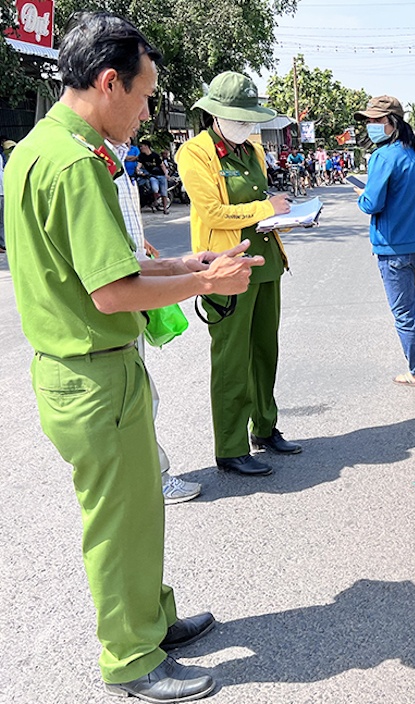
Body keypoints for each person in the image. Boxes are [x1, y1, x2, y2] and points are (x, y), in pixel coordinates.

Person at [4, 12, 265, 701]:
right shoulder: (74, 162)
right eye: (146, 96)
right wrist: (206, 281)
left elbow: (106, 268)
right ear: (108, 82)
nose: (149, 112)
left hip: (90, 371)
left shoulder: (45, 148)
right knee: (121, 524)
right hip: (92, 372)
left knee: (140, 508)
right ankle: (130, 658)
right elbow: (114, 291)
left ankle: (151, 620)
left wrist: (183, 262)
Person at [176, 71, 298, 477]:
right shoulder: (194, 153)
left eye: (250, 118)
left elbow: (263, 199)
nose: (247, 125)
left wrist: (286, 214)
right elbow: (211, 211)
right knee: (231, 357)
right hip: (225, 265)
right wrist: (266, 209)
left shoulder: (253, 150)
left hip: (266, 262)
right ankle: (230, 447)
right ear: (216, 114)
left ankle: (265, 427)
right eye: (239, 117)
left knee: (266, 350)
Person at [111, 138, 202, 504]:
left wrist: (140, 242)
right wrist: (197, 280)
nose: (146, 112)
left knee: (140, 394)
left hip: (132, 271)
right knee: (137, 398)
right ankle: (152, 477)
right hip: (120, 294)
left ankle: (146, 475)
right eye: (143, 97)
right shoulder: (86, 163)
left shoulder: (116, 158)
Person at [354, 95, 415, 387]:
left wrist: (361, 196)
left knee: (405, 312)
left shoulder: (383, 157)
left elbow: (372, 203)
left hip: (394, 247)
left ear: (392, 123)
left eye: (375, 120)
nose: (370, 126)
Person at [138, 139, 170, 213]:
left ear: (146, 146)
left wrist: (166, 174)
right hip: (152, 176)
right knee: (154, 189)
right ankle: (155, 201)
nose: (140, 148)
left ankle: (165, 209)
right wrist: (138, 170)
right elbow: (138, 165)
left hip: (161, 175)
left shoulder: (155, 155)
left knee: (164, 193)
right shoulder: (142, 156)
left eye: (142, 146)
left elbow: (162, 165)